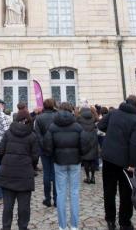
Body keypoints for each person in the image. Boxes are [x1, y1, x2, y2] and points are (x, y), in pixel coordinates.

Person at [97, 95, 136, 230]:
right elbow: (135, 144)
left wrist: (112, 133)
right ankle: (124, 222)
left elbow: (100, 125)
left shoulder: (113, 113)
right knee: (126, 192)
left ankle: (110, 220)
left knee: (109, 190)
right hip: (125, 161)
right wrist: (133, 164)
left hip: (109, 157)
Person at [43, 102, 90, 230]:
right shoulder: (77, 126)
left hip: (59, 162)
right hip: (74, 162)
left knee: (61, 193)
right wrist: (81, 155)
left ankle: (62, 226)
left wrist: (52, 155)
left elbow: (47, 146)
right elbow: (85, 144)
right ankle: (74, 226)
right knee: (74, 193)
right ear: (71, 111)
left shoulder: (53, 127)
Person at [0, 109, 39, 230]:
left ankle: (6, 227)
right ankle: (23, 227)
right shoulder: (32, 135)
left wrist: (3, 163)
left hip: (7, 172)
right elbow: (35, 156)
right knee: (24, 206)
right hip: (25, 174)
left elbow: (0, 151)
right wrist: (31, 166)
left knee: (8, 205)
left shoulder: (8, 133)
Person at [34, 98, 58, 207]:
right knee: (56, 174)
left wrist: (44, 146)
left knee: (47, 174)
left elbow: (38, 135)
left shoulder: (39, 118)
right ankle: (56, 199)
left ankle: (47, 198)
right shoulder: (57, 116)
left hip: (44, 149)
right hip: (56, 148)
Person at [77, 106, 99, 185]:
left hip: (83, 138)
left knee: (86, 159)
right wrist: (93, 110)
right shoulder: (93, 118)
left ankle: (88, 177)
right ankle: (93, 177)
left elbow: (75, 118)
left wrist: (77, 110)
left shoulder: (79, 119)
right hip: (93, 138)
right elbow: (98, 118)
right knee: (92, 159)